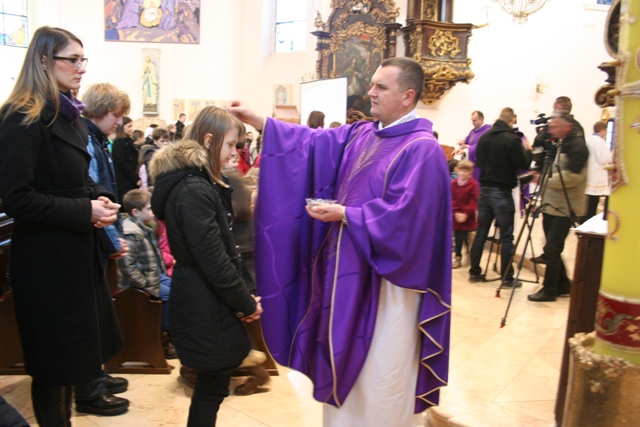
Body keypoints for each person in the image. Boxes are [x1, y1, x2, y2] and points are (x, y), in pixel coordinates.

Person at [229, 57, 451, 427]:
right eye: (373, 84)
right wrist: (259, 121)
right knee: (342, 360)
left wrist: (348, 214)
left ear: (408, 96)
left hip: (389, 285)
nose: (370, 92)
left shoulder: (421, 148)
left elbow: (411, 220)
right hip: (346, 274)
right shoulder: (364, 133)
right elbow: (311, 143)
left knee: (380, 367)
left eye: (381, 87)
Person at [0, 26, 126, 425]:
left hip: (74, 254)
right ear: (43, 60)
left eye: (81, 59)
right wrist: (83, 211)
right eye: (71, 59)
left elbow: (72, 178)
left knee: (74, 359)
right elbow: (16, 198)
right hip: (46, 259)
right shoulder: (21, 116)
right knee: (54, 365)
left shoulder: (69, 115)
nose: (80, 67)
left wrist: (98, 196)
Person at [149, 106, 262, 426]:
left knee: (213, 385)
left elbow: (227, 249)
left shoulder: (201, 183)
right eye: (230, 144)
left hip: (206, 294)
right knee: (212, 387)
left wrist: (246, 294)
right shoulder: (193, 189)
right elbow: (213, 258)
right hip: (203, 297)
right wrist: (244, 303)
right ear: (209, 140)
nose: (235, 152)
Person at [468, 108, 532, 287]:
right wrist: (528, 150)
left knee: (481, 233)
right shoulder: (512, 139)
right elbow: (523, 164)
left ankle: (474, 272)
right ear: (512, 120)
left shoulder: (484, 137)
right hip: (502, 191)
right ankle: (507, 278)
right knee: (506, 237)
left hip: (484, 190)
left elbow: (479, 162)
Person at [528, 111, 588, 302]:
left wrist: (543, 180)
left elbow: (573, 177)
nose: (550, 130)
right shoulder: (560, 143)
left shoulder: (577, 146)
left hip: (566, 206)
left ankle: (549, 290)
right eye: (550, 126)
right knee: (551, 247)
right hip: (551, 204)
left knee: (552, 249)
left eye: (555, 127)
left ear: (567, 126)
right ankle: (563, 285)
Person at [118, 189, 176, 358]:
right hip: (136, 284)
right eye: (149, 209)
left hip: (155, 276)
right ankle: (163, 335)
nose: (153, 212)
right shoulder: (131, 233)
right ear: (136, 212)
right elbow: (126, 266)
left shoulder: (144, 227)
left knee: (181, 288)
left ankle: (173, 331)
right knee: (170, 296)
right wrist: (145, 284)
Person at [451, 160, 479, 269]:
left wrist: (466, 214)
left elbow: (473, 200)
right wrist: (456, 212)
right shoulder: (453, 184)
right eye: (461, 171)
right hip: (457, 216)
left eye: (465, 171)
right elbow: (452, 198)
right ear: (457, 170)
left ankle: (469, 253)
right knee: (458, 236)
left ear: (470, 172)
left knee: (466, 236)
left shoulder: (473, 184)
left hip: (468, 216)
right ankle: (458, 257)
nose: (462, 173)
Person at [584, 120, 611, 219]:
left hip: (587, 175)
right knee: (593, 202)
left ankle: (584, 220)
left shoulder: (587, 139)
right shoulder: (599, 142)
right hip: (596, 176)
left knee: (587, 204)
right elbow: (604, 159)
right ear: (602, 130)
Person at [455, 110, 491, 181]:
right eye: (472, 121)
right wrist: (462, 144)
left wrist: (468, 149)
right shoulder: (473, 131)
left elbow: (481, 146)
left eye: (474, 121)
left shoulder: (487, 131)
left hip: (478, 165)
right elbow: (467, 142)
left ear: (481, 119)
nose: (472, 123)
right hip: (470, 163)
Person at [112, 116, 141, 199]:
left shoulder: (127, 141)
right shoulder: (119, 142)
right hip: (125, 179)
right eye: (129, 126)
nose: (131, 129)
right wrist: (135, 178)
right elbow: (120, 162)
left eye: (131, 126)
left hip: (130, 178)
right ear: (121, 127)